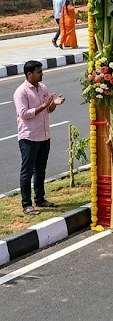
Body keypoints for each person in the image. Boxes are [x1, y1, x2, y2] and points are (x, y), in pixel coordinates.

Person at [15, 60, 65, 215]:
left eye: (41, 71)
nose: (41, 74)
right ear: (29, 74)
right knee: (27, 171)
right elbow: (24, 114)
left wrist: (54, 104)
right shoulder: (21, 92)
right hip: (29, 137)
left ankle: (40, 199)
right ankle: (26, 204)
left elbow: (47, 110)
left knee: (41, 169)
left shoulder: (42, 88)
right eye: (38, 72)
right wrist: (44, 105)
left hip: (44, 135)